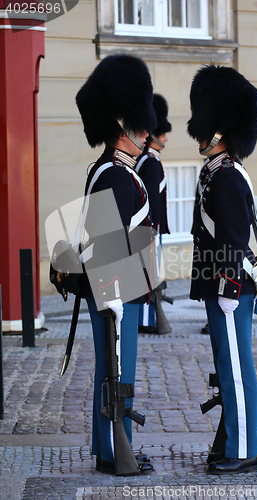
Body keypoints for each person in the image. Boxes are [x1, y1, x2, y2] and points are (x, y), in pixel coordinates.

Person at [75, 53, 157, 475]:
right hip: (114, 292)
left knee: (117, 368)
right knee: (115, 370)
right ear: (122, 128)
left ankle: (113, 443)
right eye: (139, 125)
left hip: (123, 288)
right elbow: (107, 242)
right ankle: (111, 452)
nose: (147, 133)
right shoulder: (112, 173)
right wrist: (113, 299)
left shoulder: (121, 171)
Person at [187, 64, 257, 474]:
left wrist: (229, 289)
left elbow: (233, 240)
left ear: (222, 129)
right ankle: (232, 440)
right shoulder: (215, 170)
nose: (200, 133)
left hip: (229, 286)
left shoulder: (229, 176)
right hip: (218, 282)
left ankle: (245, 450)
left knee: (236, 369)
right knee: (227, 366)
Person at [135, 94, 171, 334]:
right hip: (149, 228)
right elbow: (149, 199)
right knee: (150, 276)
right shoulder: (150, 163)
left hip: (149, 228)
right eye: (163, 132)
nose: (166, 137)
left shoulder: (147, 160)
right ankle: (147, 320)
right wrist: (153, 228)